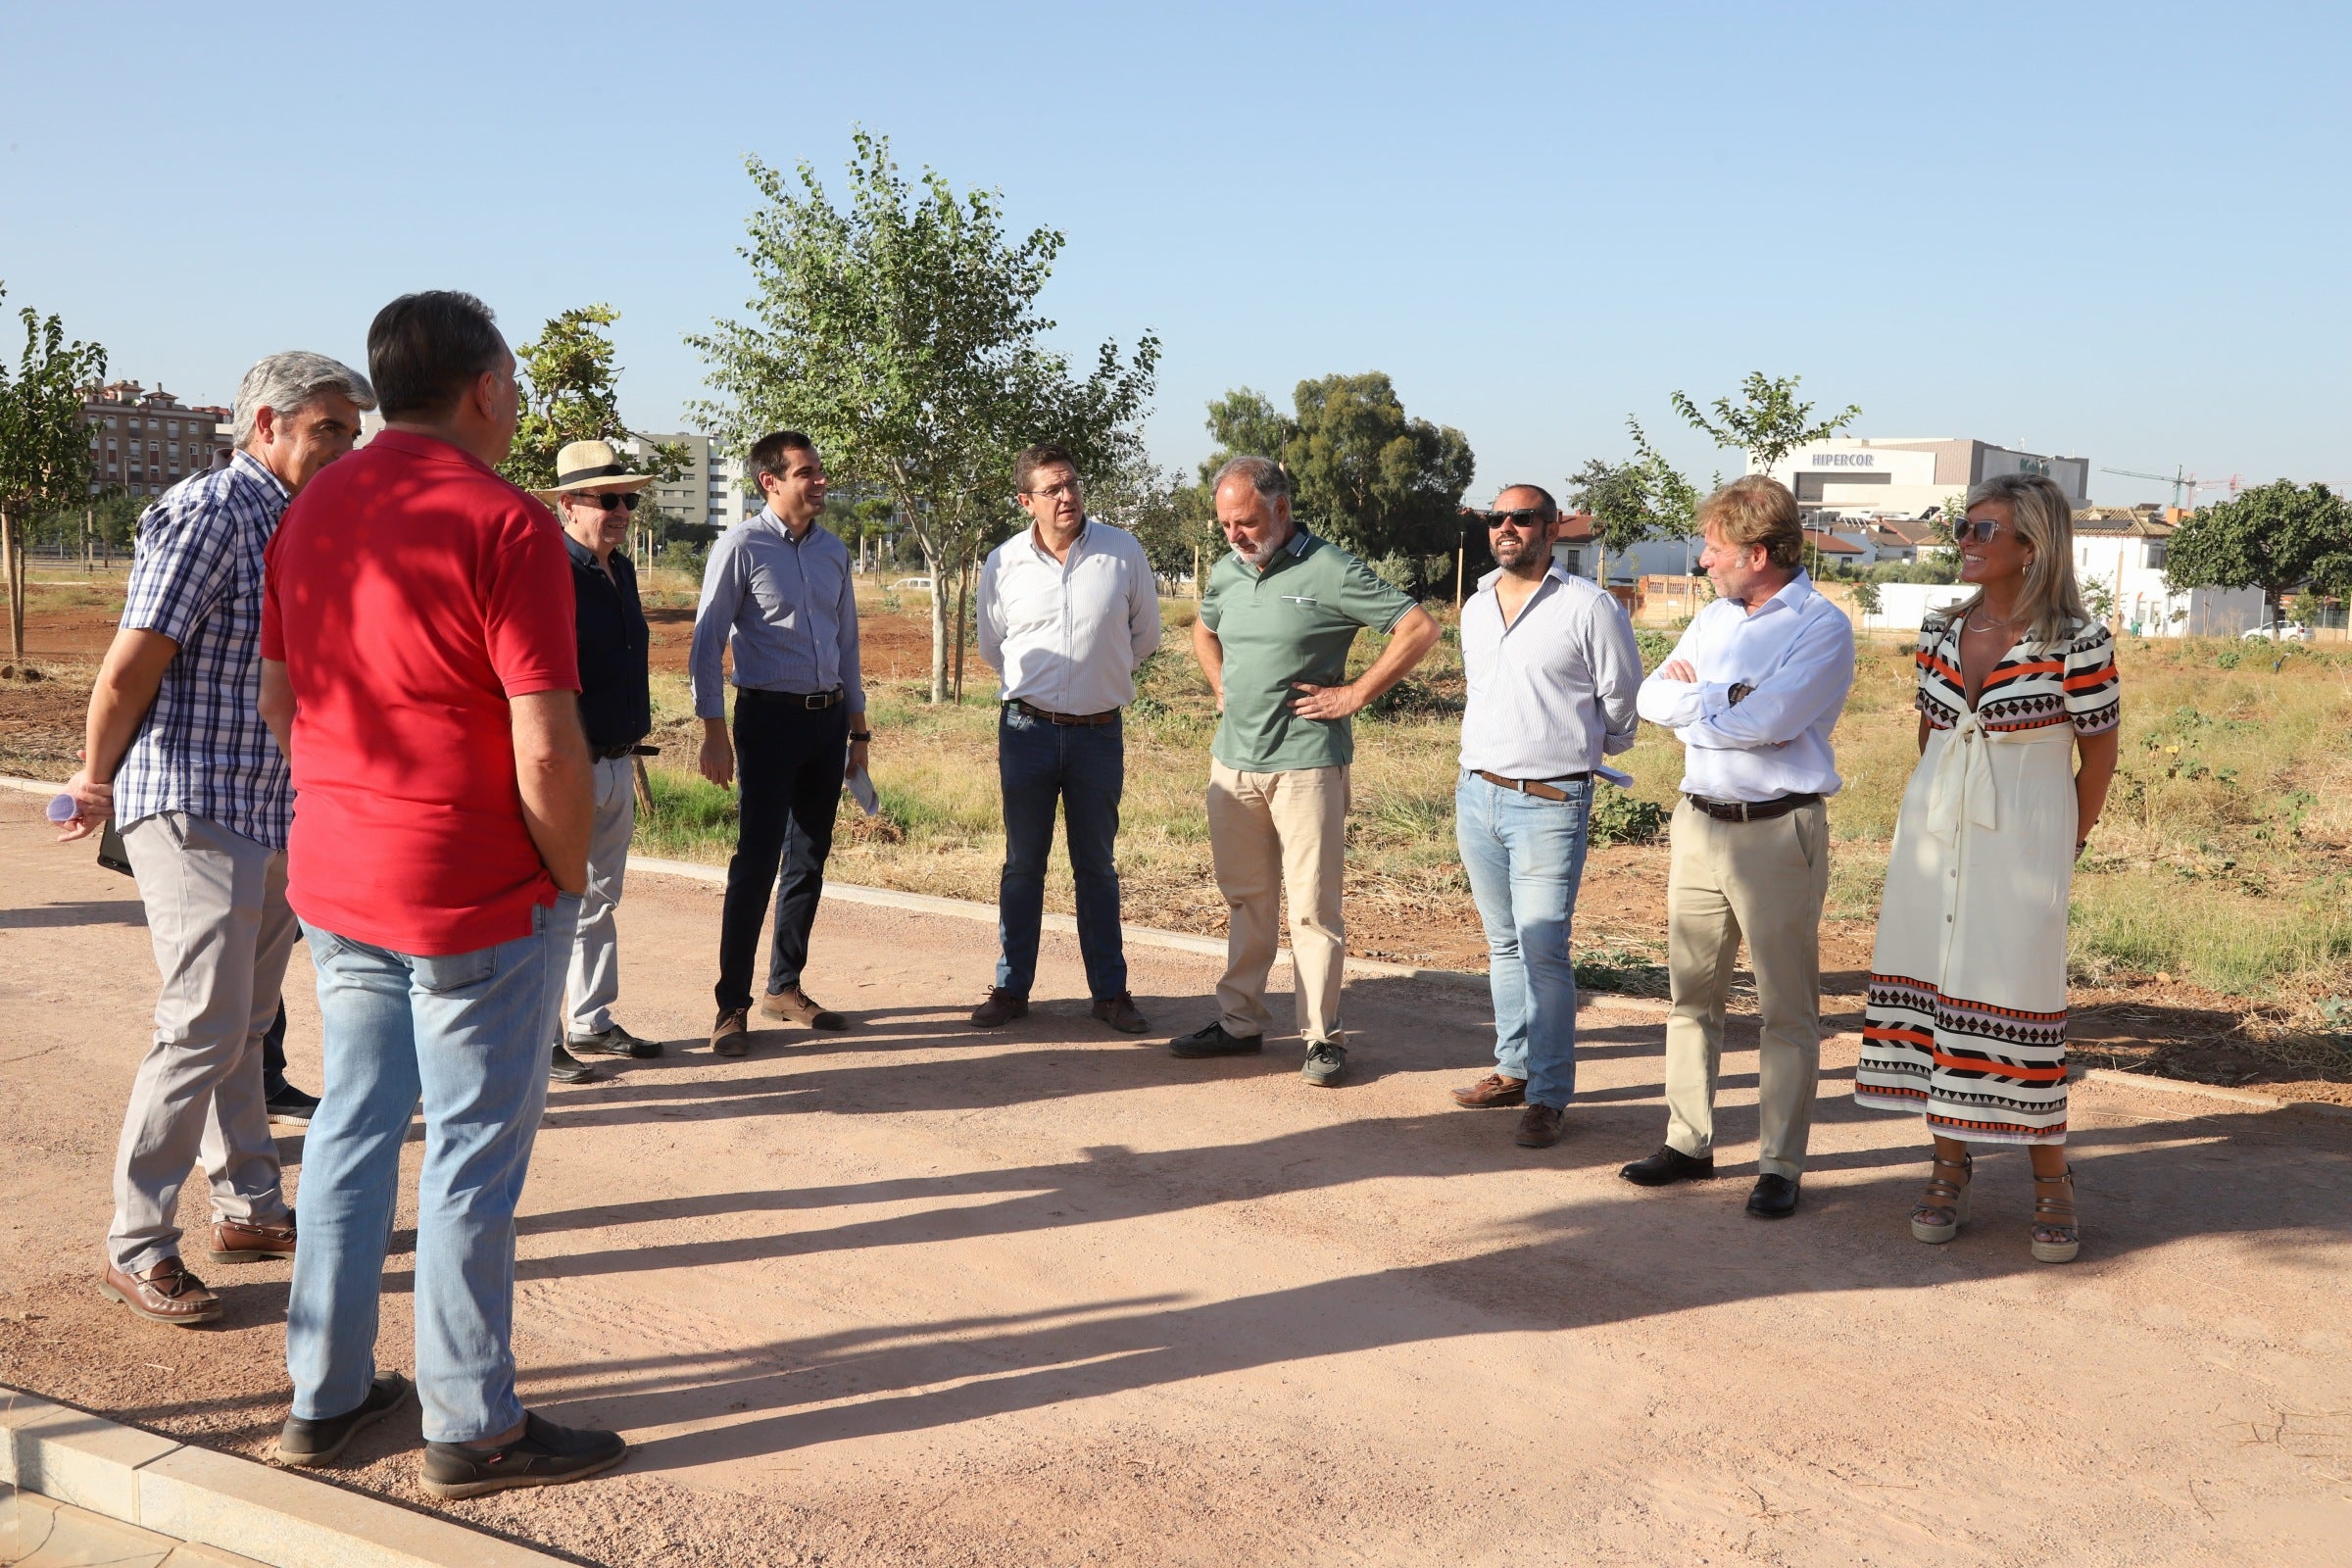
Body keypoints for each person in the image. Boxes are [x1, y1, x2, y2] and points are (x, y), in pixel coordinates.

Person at [262, 291, 622, 1495]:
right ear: (482, 388)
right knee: (471, 1154)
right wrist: (563, 873)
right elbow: (548, 747)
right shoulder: (505, 523)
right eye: (512, 381)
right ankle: (472, 1425)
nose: (516, 400)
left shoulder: (314, 507)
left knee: (351, 1130)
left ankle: (326, 1397)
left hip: (340, 876)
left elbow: (280, 700)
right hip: (472, 890)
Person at [58, 350, 373, 1327]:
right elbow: (130, 663)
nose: (344, 450)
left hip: (276, 805)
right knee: (200, 1019)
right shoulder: (213, 513)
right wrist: (93, 777)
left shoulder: (303, 522)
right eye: (328, 430)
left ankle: (247, 1207)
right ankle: (137, 1241)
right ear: (267, 426)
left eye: (353, 435)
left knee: (245, 1020)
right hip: (191, 799)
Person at [1854, 473, 2119, 1263]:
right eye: (1964, 529)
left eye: (1982, 531)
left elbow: (2098, 754)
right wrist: (1927, 833)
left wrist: (2063, 847)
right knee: (1937, 996)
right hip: (1935, 841)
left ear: (2032, 548)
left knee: (2018, 998)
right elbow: (1931, 739)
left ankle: (2050, 1179)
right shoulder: (1938, 630)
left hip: (2024, 847)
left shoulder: (2079, 640)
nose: (1964, 542)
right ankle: (1947, 1163)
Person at [1623, 476, 1854, 1220]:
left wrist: (1703, 701)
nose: (1702, 561)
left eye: (1715, 549)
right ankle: (1688, 1142)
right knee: (1691, 994)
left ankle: (1780, 1163)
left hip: (1778, 831)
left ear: (1758, 553)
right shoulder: (1715, 620)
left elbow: (1776, 722)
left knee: (1785, 1008)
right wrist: (1728, 698)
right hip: (1698, 823)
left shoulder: (1821, 625)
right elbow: (1649, 697)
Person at [1174, 456, 1441, 1087]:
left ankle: (1322, 1037)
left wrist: (1352, 696)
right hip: (1232, 763)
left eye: (1246, 522)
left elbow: (1418, 628)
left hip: (1307, 767)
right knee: (1246, 901)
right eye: (1225, 524)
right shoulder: (1226, 572)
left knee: (1312, 910)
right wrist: (1220, 687)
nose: (1235, 535)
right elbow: (1204, 633)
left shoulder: (1331, 568)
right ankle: (1239, 1022)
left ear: (1282, 509)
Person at [1448, 485, 1643, 1148]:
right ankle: (1512, 1070)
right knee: (1502, 943)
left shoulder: (1588, 607)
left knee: (1544, 952)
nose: (1506, 527)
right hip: (1477, 793)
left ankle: (1550, 1093)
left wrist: (1578, 750)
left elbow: (1622, 704)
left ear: (1552, 528)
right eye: (1494, 518)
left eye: (1521, 518)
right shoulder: (1475, 605)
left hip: (1550, 801)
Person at [968, 444, 1162, 1033]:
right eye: (1052, 489)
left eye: (1072, 484)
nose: (1067, 496)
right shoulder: (1002, 563)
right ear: (1026, 500)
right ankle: (1011, 989)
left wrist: (1093, 681)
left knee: (1096, 867)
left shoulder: (1121, 551)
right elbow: (991, 647)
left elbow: (1145, 636)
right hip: (1026, 731)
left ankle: (1109, 993)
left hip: (1099, 735)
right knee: (1023, 865)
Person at [691, 430, 868, 1055]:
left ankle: (784, 987)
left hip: (824, 725)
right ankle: (730, 1006)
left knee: (809, 859)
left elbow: (847, 646)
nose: (820, 481)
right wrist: (714, 731)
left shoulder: (834, 552)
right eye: (807, 473)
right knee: (756, 861)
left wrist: (858, 732)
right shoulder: (740, 546)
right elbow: (706, 644)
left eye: (819, 470)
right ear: (771, 481)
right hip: (765, 723)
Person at [535, 439, 661, 1084]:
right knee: (557, 901)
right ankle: (545, 1036)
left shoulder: (620, 570)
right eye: (607, 498)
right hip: (570, 764)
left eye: (627, 499)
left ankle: (591, 1018)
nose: (620, 510)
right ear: (568, 504)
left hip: (615, 761)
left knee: (599, 900)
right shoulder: (549, 569)